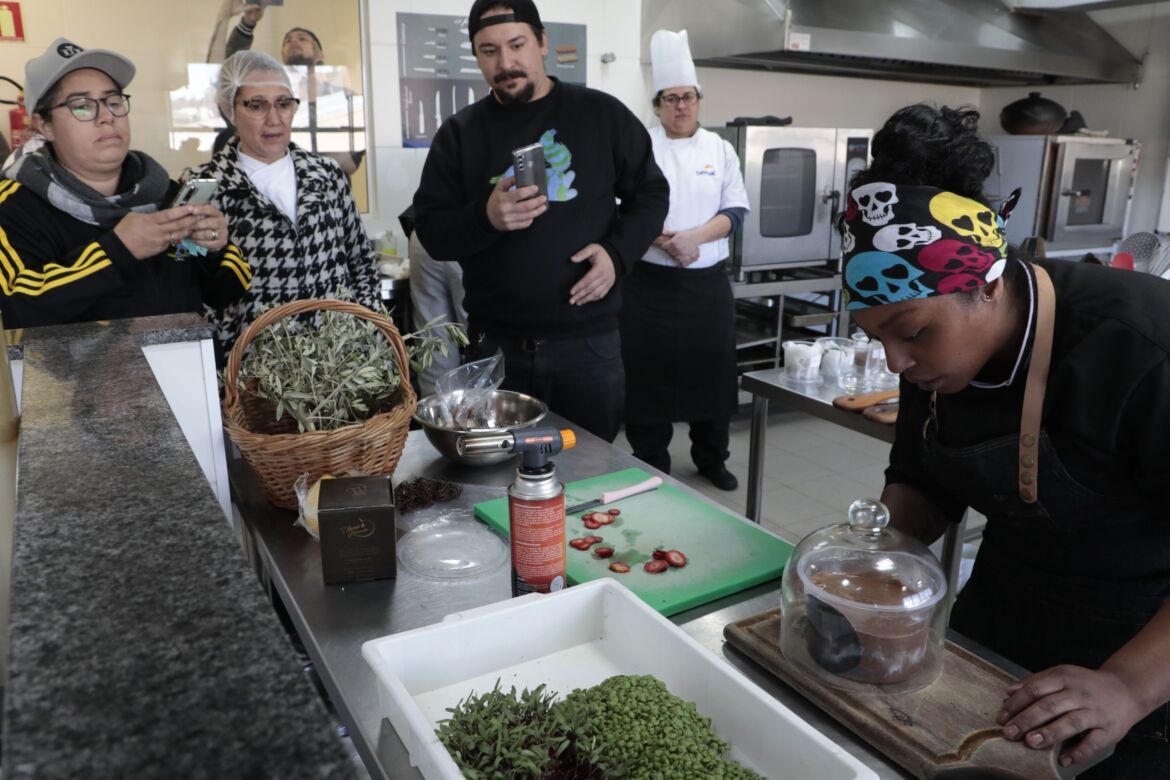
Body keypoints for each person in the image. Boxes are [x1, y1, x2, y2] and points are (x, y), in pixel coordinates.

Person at [843, 103, 1170, 778]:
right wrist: (875, 573)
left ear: (986, 284)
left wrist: (1127, 688)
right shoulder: (930, 359)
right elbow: (920, 480)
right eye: (879, 339)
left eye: (911, 331)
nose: (897, 362)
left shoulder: (1139, 345)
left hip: (1138, 645)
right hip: (998, 617)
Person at [412, 0, 669, 442]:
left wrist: (616, 254)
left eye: (517, 45)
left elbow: (651, 194)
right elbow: (432, 232)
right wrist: (486, 216)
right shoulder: (460, 134)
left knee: (591, 470)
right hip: (495, 350)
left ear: (543, 42)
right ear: (475, 55)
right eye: (489, 50)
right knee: (496, 476)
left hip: (587, 348)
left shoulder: (601, 115)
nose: (505, 63)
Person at [0, 39, 249, 330]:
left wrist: (214, 248)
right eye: (82, 106)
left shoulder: (166, 193)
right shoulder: (14, 207)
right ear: (45, 125)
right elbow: (17, 308)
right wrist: (118, 249)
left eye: (114, 102)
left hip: (190, 359)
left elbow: (228, 293)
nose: (107, 116)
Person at [620, 30, 749, 491]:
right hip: (648, 285)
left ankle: (711, 457)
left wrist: (694, 238)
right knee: (647, 374)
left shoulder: (720, 149)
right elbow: (622, 209)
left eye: (688, 97)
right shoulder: (640, 146)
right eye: (671, 98)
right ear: (657, 105)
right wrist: (665, 241)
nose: (681, 106)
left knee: (712, 372)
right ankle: (652, 459)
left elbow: (735, 211)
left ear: (698, 100)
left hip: (706, 284)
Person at [187, 50, 381, 357]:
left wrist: (368, 333)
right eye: (256, 105)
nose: (274, 119)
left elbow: (361, 262)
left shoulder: (326, 175)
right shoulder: (204, 186)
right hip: (254, 365)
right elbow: (190, 284)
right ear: (229, 108)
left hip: (338, 362)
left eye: (283, 103)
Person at [211, 2, 363, 176]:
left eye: (302, 39)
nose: (294, 42)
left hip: (326, 188)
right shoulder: (272, 97)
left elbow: (350, 164)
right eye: (288, 41)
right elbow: (230, 75)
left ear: (320, 54)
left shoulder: (344, 98)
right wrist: (247, 23)